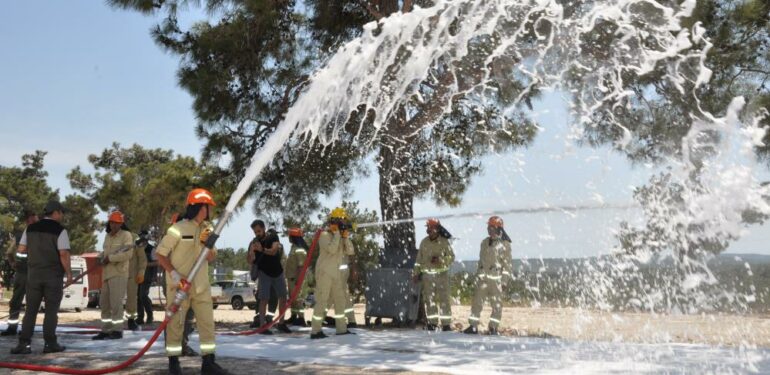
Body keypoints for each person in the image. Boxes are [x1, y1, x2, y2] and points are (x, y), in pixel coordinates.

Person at [156, 188, 228, 375]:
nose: (208, 210)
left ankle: (208, 362)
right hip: (179, 285)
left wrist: (208, 244)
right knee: (175, 324)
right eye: (206, 207)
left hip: (201, 285)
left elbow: (211, 257)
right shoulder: (178, 228)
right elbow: (160, 254)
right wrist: (174, 275)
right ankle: (173, 363)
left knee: (206, 323)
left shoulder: (208, 228)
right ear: (197, 207)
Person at [11, 201, 71, 354]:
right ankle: (50, 344)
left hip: (33, 276)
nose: (62, 216)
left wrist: (32, 262)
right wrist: (69, 274)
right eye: (61, 213)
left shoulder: (30, 228)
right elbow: (63, 254)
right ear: (56, 212)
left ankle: (24, 344)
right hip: (53, 277)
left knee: (30, 311)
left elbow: (21, 249)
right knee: (51, 311)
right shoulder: (60, 230)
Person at [310, 207, 356, 339]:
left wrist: (346, 238)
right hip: (325, 272)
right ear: (333, 222)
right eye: (340, 221)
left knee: (340, 300)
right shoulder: (324, 235)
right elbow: (331, 249)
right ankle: (315, 330)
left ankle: (341, 329)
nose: (342, 224)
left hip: (336, 273)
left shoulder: (340, 237)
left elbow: (350, 251)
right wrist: (336, 234)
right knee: (322, 301)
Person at [464, 216, 513, 336]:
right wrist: (478, 276)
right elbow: (481, 262)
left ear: (498, 229)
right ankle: (473, 326)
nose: (489, 229)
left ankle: (493, 328)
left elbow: (507, 266)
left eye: (491, 227)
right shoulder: (484, 242)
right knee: (476, 303)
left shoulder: (505, 244)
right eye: (488, 227)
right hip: (483, 280)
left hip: (496, 281)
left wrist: (504, 281)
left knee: (497, 306)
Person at [92, 211, 134, 340]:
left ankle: (117, 330)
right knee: (104, 303)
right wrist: (100, 257)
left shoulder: (126, 235)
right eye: (112, 222)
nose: (113, 225)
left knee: (116, 303)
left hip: (119, 273)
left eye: (116, 223)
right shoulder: (107, 237)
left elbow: (127, 254)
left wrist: (110, 258)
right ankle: (105, 330)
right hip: (107, 274)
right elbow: (105, 252)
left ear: (121, 224)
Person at [247, 220, 291, 334]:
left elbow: (274, 250)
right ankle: (262, 326)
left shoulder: (272, 237)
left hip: (278, 272)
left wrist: (262, 250)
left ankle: (281, 323)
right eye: (255, 231)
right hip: (264, 274)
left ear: (263, 229)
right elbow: (250, 260)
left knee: (283, 297)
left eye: (259, 231)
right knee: (264, 299)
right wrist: (252, 252)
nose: (257, 233)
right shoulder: (254, 242)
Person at [414, 218, 455, 331]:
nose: (429, 229)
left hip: (442, 276)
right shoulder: (424, 242)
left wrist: (441, 260)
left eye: (431, 227)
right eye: (428, 227)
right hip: (427, 277)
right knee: (429, 300)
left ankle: (446, 325)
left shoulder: (444, 242)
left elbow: (451, 257)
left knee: (444, 300)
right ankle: (432, 323)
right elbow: (418, 260)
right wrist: (416, 273)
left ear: (437, 229)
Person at [1, 212, 39, 336]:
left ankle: (27, 329)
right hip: (22, 273)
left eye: (36, 222)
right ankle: (12, 327)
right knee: (16, 301)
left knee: (32, 302)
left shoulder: (41, 236)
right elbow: (9, 252)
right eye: (33, 222)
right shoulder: (19, 237)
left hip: (35, 274)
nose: (35, 224)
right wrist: (13, 263)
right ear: (27, 222)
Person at [285, 228, 309, 326]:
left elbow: (301, 266)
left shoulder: (299, 250)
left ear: (293, 237)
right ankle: (294, 316)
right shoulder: (294, 247)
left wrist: (299, 280)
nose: (288, 237)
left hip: (296, 279)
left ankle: (301, 318)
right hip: (292, 278)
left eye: (290, 235)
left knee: (298, 299)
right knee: (293, 299)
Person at [125, 230, 148, 330]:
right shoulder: (111, 237)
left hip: (131, 274)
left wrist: (141, 273)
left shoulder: (135, 238)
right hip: (116, 274)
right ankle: (112, 324)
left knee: (132, 298)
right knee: (114, 299)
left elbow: (142, 258)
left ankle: (131, 320)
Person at [136, 231, 157, 326]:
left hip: (148, 276)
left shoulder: (151, 249)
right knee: (138, 297)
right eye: (140, 237)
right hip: (138, 275)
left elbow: (157, 262)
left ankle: (150, 315)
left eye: (143, 237)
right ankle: (140, 318)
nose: (141, 239)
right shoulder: (137, 249)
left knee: (143, 295)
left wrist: (145, 264)